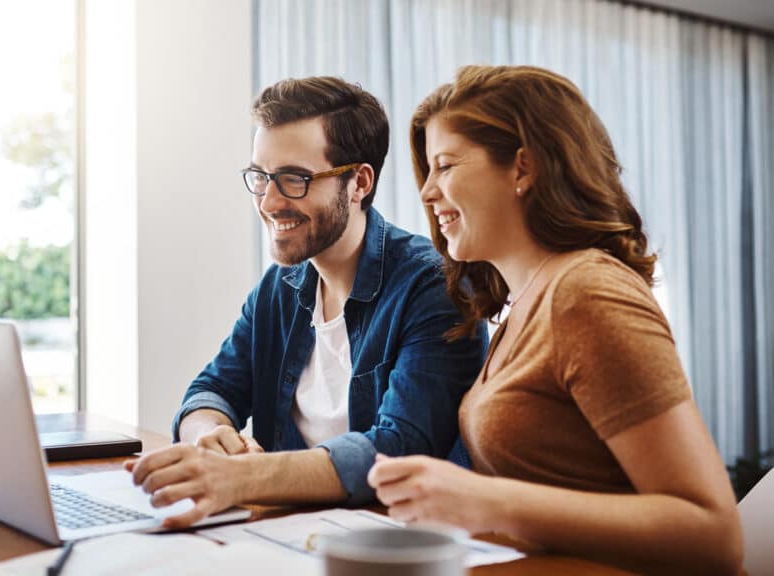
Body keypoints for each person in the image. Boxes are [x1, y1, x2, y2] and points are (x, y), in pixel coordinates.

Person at [368, 65, 743, 575]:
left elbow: (713, 535)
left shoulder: (585, 294)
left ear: (523, 168)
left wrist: (490, 501)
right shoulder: (524, 306)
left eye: (446, 165)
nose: (427, 192)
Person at [127, 76, 487, 528]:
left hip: (392, 546)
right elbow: (211, 390)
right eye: (261, 177)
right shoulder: (279, 288)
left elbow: (400, 449)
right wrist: (211, 436)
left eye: (294, 179)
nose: (270, 201)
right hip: (287, 535)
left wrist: (246, 476)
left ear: (358, 182)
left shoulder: (432, 286)